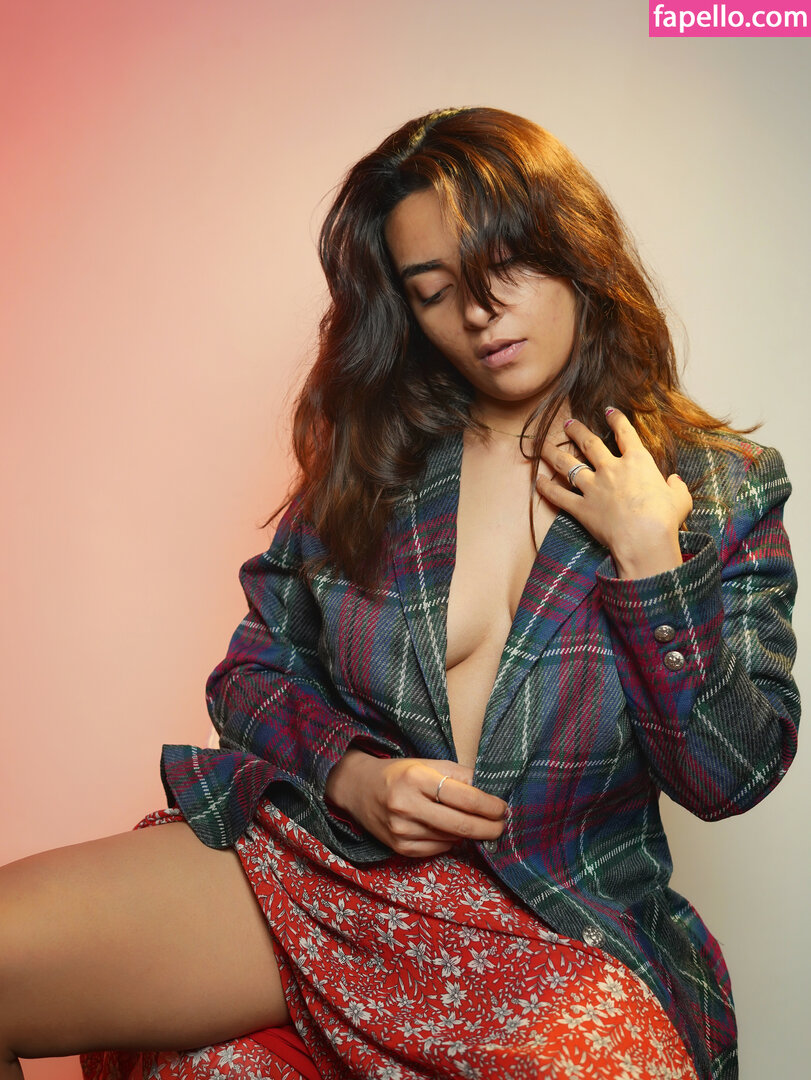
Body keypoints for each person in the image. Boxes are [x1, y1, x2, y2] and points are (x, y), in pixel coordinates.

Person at [0, 107, 799, 1080]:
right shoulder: (376, 464)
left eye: (506, 265)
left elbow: (729, 778)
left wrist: (653, 564)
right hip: (331, 868)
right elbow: (249, 677)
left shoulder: (718, 485)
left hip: (554, 921)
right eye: (434, 291)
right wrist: (352, 777)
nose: (480, 312)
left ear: (575, 252)